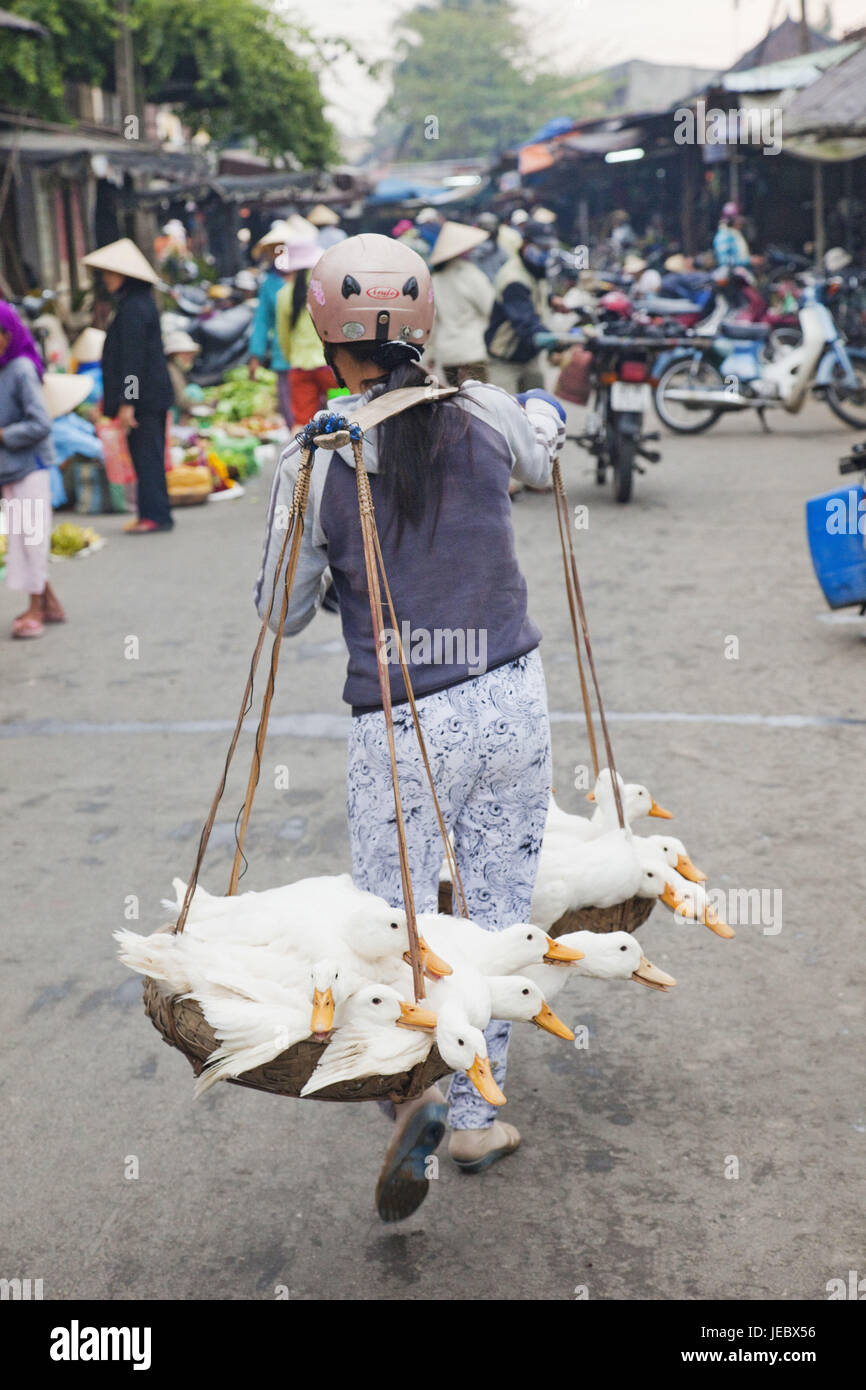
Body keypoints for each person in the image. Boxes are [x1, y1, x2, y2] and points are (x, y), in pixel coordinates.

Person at [255, 234, 566, 1222]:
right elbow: (541, 445)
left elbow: (282, 608)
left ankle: (410, 1085)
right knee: (490, 912)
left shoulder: (317, 453)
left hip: (401, 719)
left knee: (400, 929)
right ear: (424, 319)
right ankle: (472, 1111)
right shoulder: (482, 408)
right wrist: (550, 405)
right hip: (511, 693)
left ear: (321, 336)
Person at [82, 237, 175, 534]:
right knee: (148, 455)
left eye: (110, 273)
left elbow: (133, 362)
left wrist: (127, 402)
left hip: (144, 400)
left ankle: (155, 516)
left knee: (146, 456)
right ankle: (154, 513)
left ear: (125, 276)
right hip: (150, 397)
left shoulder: (134, 308)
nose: (106, 279)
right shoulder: (135, 304)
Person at [0, 302, 65, 637]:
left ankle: (37, 609)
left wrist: (3, 434)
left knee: (32, 540)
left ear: (8, 335)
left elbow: (41, 423)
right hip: (10, 468)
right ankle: (50, 604)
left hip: (31, 466)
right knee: (23, 540)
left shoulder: (22, 368)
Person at [248, 217, 317, 424]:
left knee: (307, 422)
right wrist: (256, 355)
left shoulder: (314, 280)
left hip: (302, 360)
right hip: (289, 360)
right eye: (275, 250)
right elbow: (262, 321)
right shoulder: (270, 284)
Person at [485, 219, 561, 394]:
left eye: (549, 248)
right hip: (506, 359)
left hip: (529, 357)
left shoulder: (534, 269)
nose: (546, 252)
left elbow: (532, 293)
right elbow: (524, 320)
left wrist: (551, 300)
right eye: (542, 247)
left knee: (540, 408)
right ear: (526, 244)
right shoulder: (513, 279)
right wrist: (554, 341)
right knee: (505, 415)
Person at [274, 239, 336, 427]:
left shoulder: (283, 294)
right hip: (331, 368)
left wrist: (291, 357)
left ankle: (299, 458)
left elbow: (283, 337)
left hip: (300, 367)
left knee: (302, 425)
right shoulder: (328, 289)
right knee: (343, 418)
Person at [427, 220, 495, 386]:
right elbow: (490, 307)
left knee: (457, 403)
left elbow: (432, 322)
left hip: (448, 354)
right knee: (481, 402)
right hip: (473, 350)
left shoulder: (434, 280)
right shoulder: (472, 274)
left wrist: (429, 354)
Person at [163, 331, 203, 423]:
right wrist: (207, 405)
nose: (189, 357)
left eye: (190, 354)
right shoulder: (171, 371)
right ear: (174, 355)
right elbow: (182, 401)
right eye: (185, 354)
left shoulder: (179, 371)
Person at [713, 202, 752, 269]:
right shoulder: (723, 236)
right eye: (737, 218)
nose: (741, 220)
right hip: (731, 276)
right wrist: (748, 261)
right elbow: (723, 260)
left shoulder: (735, 234)